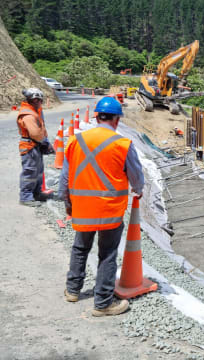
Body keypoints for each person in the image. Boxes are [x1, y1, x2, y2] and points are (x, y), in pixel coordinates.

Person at [58, 97, 144, 317]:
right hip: (109, 211)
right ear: (116, 119)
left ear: (96, 116)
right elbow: (136, 176)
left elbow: (65, 178)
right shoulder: (122, 144)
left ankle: (73, 290)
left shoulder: (76, 141)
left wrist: (68, 204)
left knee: (80, 248)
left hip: (82, 208)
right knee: (107, 254)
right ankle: (102, 304)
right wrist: (139, 190)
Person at [17, 88, 54, 207]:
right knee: (30, 172)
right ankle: (26, 197)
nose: (39, 102)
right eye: (36, 100)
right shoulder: (28, 114)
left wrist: (45, 142)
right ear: (31, 100)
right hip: (30, 146)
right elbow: (35, 133)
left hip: (35, 145)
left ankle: (36, 193)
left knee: (38, 171)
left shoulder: (34, 110)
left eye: (40, 100)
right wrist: (45, 143)